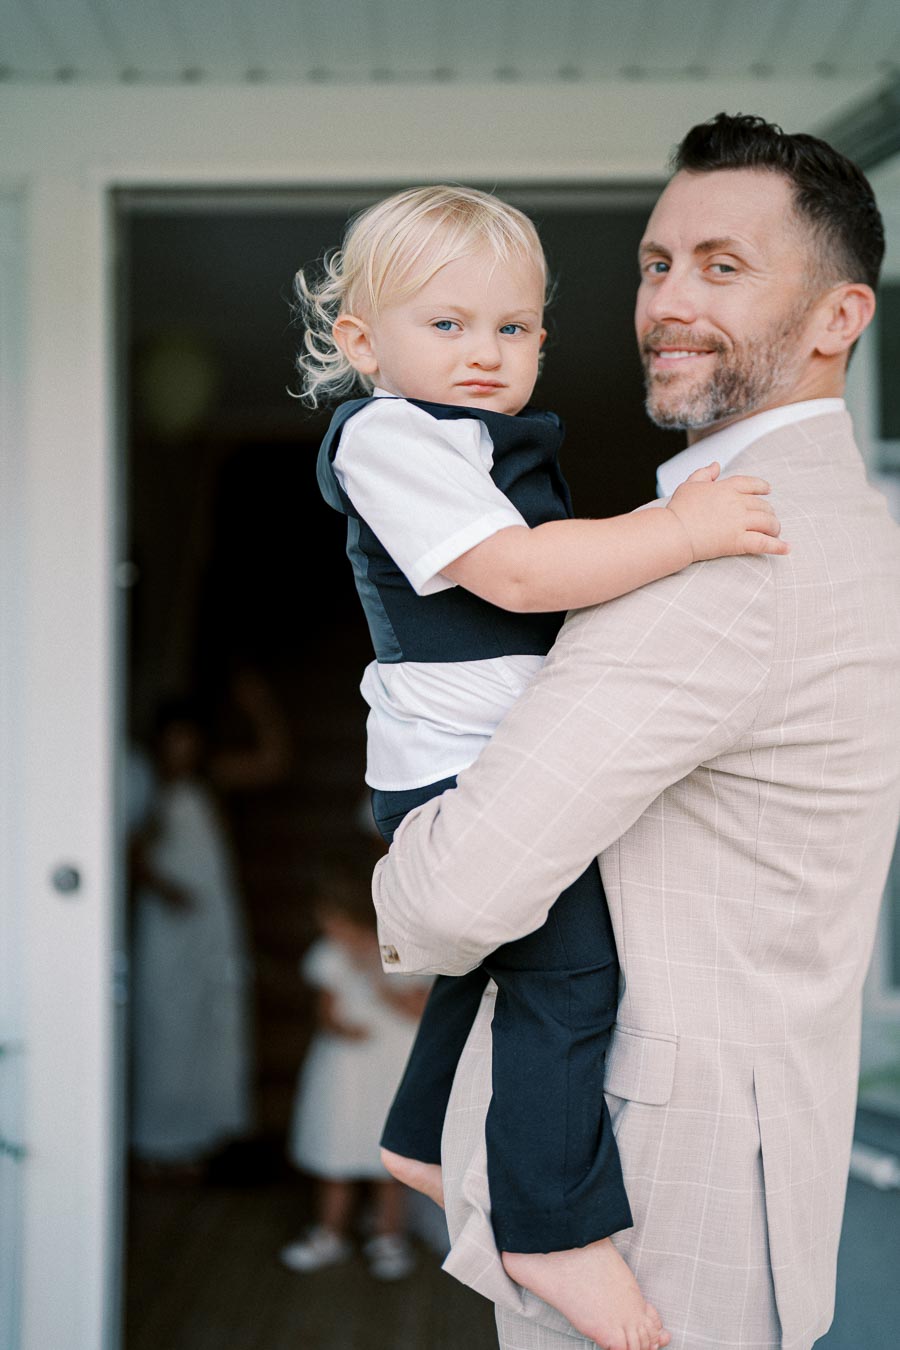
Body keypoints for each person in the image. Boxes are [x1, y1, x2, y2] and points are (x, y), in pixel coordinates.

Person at [371, 114, 900, 1350]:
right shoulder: (856, 527)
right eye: (658, 265)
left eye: (724, 266)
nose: (668, 301)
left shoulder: (725, 563)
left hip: (650, 1211)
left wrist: (391, 880)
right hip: (747, 1187)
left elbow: (454, 903)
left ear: (838, 318)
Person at [297, 183, 785, 1350]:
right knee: (573, 980)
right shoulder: (386, 437)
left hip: (500, 760)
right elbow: (515, 577)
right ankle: (549, 1228)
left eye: (513, 329)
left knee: (496, 966)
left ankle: (419, 1139)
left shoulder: (464, 438)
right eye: (448, 325)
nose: (485, 353)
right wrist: (681, 533)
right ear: (363, 344)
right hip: (463, 776)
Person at [281, 862, 428, 1281]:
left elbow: (420, 1008)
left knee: (388, 1161)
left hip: (389, 1065)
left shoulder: (398, 949)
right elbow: (325, 1010)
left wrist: (380, 985)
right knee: (338, 1149)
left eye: (334, 919)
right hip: (346, 1069)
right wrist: (339, 1027)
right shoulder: (328, 956)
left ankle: (387, 1235)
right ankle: (329, 1233)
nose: (329, 928)